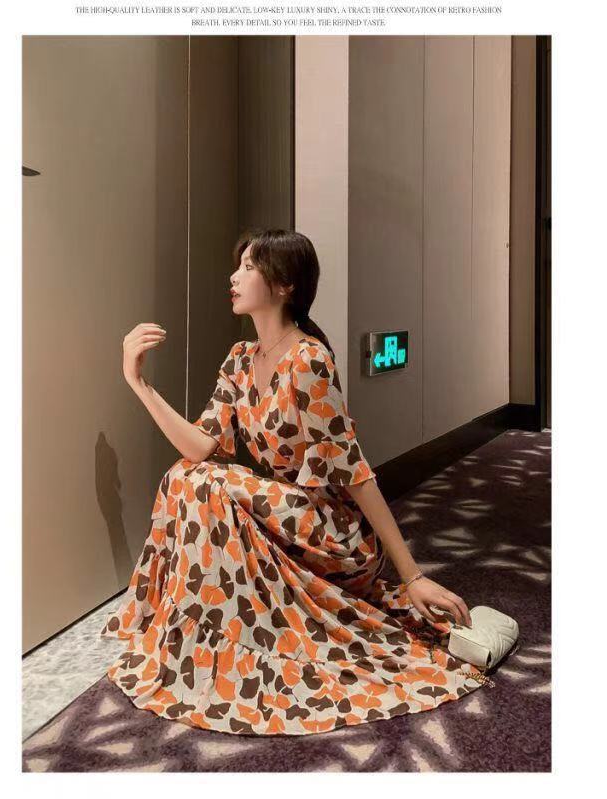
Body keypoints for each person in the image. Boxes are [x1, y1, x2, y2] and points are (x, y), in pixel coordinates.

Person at [100, 228, 486, 736]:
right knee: (186, 476)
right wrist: (139, 382)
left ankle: (234, 645)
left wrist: (411, 576)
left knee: (207, 485)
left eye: (248, 267)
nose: (233, 277)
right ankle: (212, 640)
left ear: (284, 285)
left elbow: (356, 473)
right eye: (238, 266)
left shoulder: (308, 360)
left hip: (333, 530)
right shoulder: (240, 359)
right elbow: (198, 447)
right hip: (286, 514)